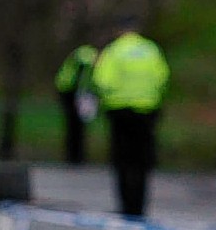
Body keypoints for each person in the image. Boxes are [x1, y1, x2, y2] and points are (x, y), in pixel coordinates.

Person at [91, 16, 169, 217]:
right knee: (142, 161)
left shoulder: (114, 51)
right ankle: (140, 206)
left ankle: (126, 205)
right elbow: (162, 77)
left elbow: (101, 81)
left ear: (120, 30)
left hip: (120, 112)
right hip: (146, 111)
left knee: (123, 160)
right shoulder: (151, 50)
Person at [54, 43, 99, 165]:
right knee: (75, 125)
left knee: (75, 125)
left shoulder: (85, 52)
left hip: (69, 89)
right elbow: (82, 75)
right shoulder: (87, 54)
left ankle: (75, 156)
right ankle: (75, 156)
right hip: (71, 91)